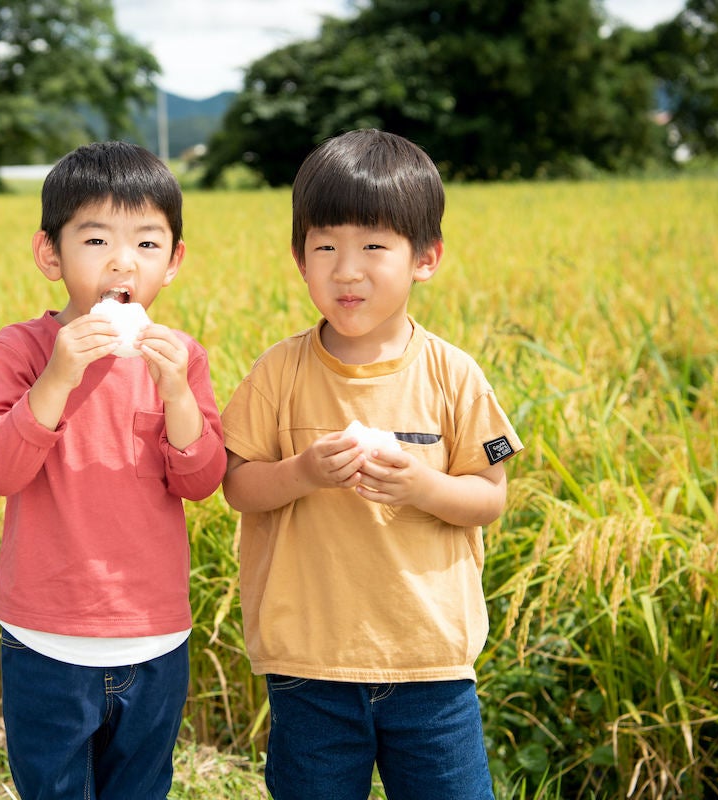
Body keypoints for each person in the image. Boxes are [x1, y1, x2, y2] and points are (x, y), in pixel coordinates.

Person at [221, 129, 522, 800]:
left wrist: (421, 485)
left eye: (373, 247)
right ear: (300, 258)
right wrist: (302, 472)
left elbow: (490, 494)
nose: (346, 270)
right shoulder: (279, 371)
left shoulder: (454, 375)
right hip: (310, 667)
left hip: (432, 666)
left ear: (427, 257)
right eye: (325, 246)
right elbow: (237, 485)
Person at [0, 141, 227, 799]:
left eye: (146, 244)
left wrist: (175, 396)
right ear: (49, 254)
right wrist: (57, 376)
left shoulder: (181, 358)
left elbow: (199, 482)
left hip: (156, 634)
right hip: (45, 639)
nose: (121, 261)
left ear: (173, 262)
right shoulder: (21, 350)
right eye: (95, 240)